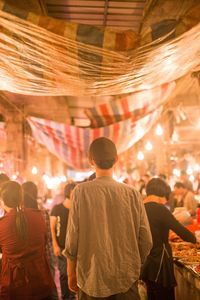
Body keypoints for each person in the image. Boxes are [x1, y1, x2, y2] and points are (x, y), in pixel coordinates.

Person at [64, 137, 152, 300]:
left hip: (91, 279)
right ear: (116, 159)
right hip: (126, 279)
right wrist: (133, 265)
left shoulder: (80, 192)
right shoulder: (132, 193)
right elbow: (146, 240)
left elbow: (72, 238)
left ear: (91, 161)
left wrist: (71, 273)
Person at [140, 177, 196, 300]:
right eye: (166, 197)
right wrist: (195, 239)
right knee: (165, 296)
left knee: (152, 295)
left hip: (146, 263)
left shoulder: (140, 207)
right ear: (161, 193)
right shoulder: (160, 209)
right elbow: (180, 230)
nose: (165, 201)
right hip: (160, 262)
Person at [0, 181, 55, 300]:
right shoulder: (38, 216)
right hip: (40, 281)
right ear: (21, 198)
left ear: (2, 200)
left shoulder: (2, 224)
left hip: (14, 286)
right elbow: (44, 242)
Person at [22, 181, 58, 300]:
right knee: (48, 289)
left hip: (30, 259)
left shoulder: (20, 213)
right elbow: (47, 237)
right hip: (46, 255)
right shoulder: (42, 210)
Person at [50, 182, 76, 300]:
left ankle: (74, 296)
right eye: (74, 192)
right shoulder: (57, 209)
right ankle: (66, 297)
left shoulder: (77, 209)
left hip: (75, 248)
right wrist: (55, 245)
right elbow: (52, 227)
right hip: (62, 247)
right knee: (64, 274)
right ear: (68, 193)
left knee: (76, 275)